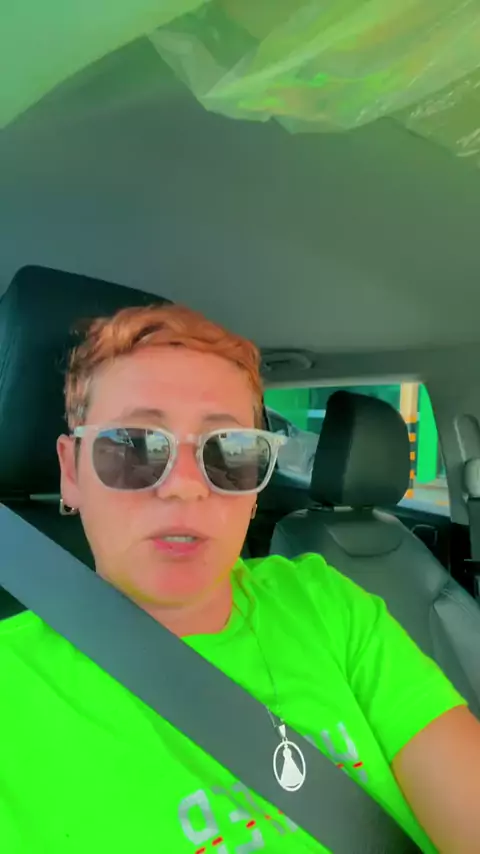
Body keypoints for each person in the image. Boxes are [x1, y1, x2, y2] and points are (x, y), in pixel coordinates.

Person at [0, 303, 479, 854]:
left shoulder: (325, 603)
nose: (185, 486)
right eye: (133, 446)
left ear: (254, 489)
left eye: (229, 451)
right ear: (71, 471)